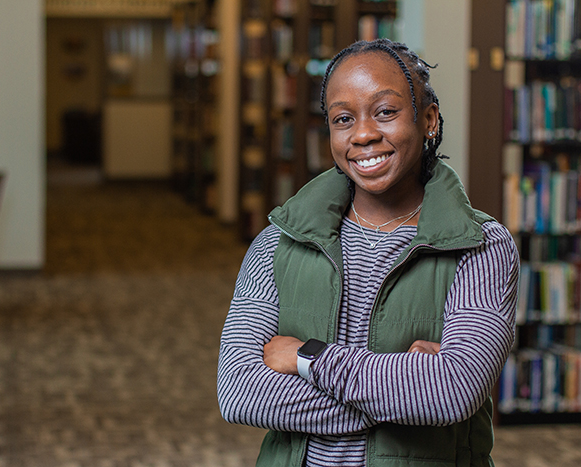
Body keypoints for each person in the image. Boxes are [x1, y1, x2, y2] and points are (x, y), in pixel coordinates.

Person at [217, 38, 519, 467]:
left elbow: (454, 391)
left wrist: (307, 357)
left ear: (428, 120)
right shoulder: (278, 241)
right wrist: (407, 393)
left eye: (385, 112)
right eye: (343, 119)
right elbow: (239, 392)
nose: (363, 134)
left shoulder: (482, 246)